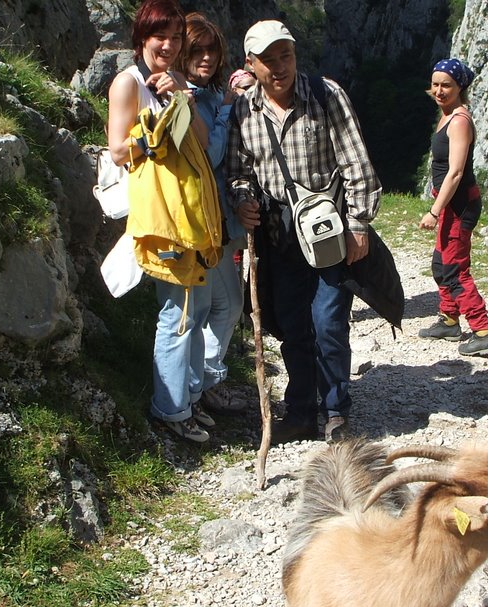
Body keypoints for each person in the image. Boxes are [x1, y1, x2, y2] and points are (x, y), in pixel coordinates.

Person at [226, 20, 381, 444]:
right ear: (251, 65)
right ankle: (299, 411)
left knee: (328, 322)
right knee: (293, 325)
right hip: (279, 236)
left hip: (328, 230)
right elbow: (238, 171)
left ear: (295, 55)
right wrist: (242, 201)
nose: (279, 68)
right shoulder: (244, 111)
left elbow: (355, 161)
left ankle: (336, 412)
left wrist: (358, 225)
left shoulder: (326, 95)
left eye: (286, 56)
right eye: (268, 60)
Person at [107, 0, 218, 443]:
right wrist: (151, 132)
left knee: (195, 307)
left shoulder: (172, 83)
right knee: (178, 313)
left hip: (185, 212)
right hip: (160, 214)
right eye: (161, 37)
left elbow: (204, 142)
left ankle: (186, 400)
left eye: (175, 38)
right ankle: (170, 410)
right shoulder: (128, 83)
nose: (169, 46)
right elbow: (117, 150)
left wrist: (178, 97)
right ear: (142, 39)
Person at [181, 12, 247, 417]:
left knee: (216, 306)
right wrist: (225, 108)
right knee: (227, 305)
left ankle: (203, 385)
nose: (206, 57)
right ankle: (206, 384)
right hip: (209, 221)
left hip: (220, 218)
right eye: (197, 50)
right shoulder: (193, 97)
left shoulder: (206, 91)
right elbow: (211, 155)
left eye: (211, 50)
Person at [417, 58, 488, 357]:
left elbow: (456, 173)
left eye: (446, 85)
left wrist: (434, 211)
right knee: (441, 263)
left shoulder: (460, 120)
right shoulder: (446, 115)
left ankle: (483, 331)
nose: (439, 90)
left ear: (460, 87)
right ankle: (450, 320)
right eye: (435, 84)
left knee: (454, 268)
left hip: (459, 205)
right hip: (450, 203)